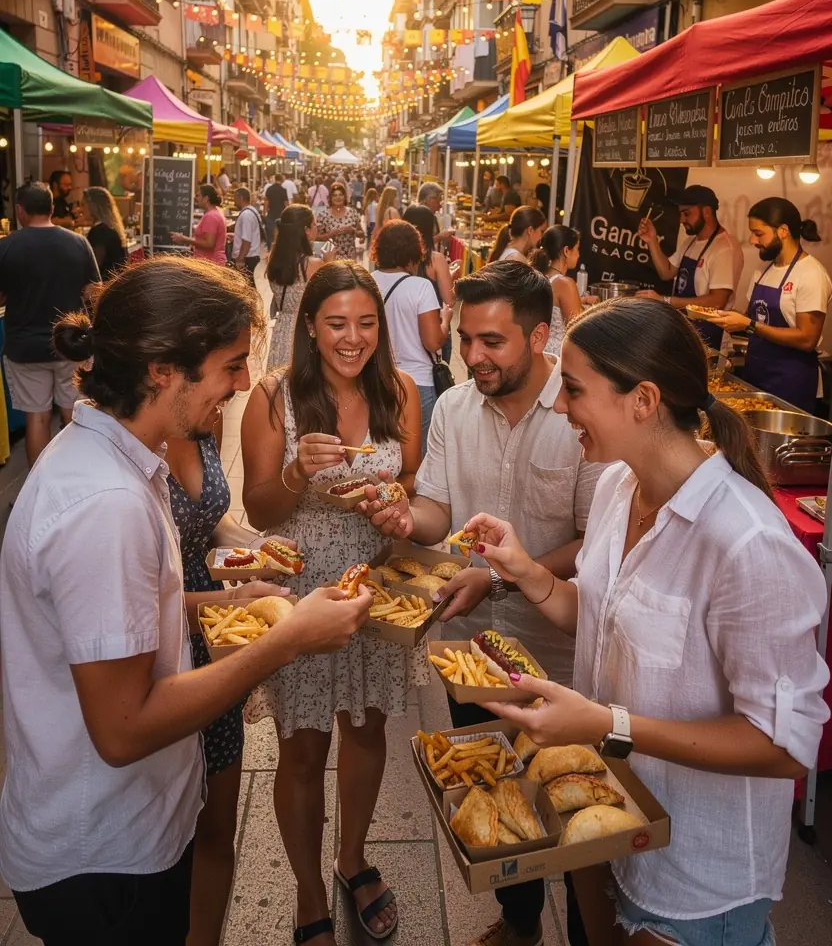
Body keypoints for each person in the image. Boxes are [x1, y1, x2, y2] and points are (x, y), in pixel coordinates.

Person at [0, 256, 373, 946]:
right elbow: (123, 728)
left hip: (117, 840)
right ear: (162, 369)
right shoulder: (105, 504)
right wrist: (284, 640)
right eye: (231, 365)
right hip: (104, 862)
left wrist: (224, 604)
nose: (240, 385)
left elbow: (113, 623)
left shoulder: (115, 463)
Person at [473, 297, 828, 946]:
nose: (558, 406)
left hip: (695, 876)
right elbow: (603, 619)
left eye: (573, 390)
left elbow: (783, 747)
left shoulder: (746, 542)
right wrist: (526, 571)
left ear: (643, 399)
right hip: (606, 823)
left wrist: (609, 725)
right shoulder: (616, 486)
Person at [361, 260, 604, 946]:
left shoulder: (578, 414)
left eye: (491, 341)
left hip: (560, 648)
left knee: (575, 800)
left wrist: (499, 576)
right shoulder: (456, 407)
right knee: (496, 782)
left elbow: (594, 542)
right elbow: (439, 507)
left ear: (536, 338)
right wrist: (411, 519)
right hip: (474, 652)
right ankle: (519, 922)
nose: (472, 355)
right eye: (465, 338)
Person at [240, 262, 424, 946]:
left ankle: (351, 859)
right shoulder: (273, 398)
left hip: (376, 583)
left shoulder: (400, 389)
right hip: (303, 586)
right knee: (303, 746)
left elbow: (408, 475)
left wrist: (397, 502)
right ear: (310, 327)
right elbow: (260, 508)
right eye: (338, 324)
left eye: (367, 323)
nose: (354, 339)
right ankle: (309, 890)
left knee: (369, 728)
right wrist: (296, 472)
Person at [167, 416, 290, 946]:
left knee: (219, 826)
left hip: (216, 639)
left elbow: (207, 520)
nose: (242, 380)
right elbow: (138, 606)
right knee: (172, 838)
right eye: (233, 363)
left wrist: (261, 549)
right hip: (170, 642)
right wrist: (239, 601)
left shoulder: (199, 419)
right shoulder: (127, 455)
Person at [0, 182, 100, 467]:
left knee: (38, 417)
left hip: (24, 346)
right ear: (52, 208)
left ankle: (40, 489)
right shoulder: (78, 243)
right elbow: (94, 292)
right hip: (72, 344)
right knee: (74, 414)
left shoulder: (7, 247)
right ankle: (77, 482)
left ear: (20, 210)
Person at [713, 196, 831, 412]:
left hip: (791, 384)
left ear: (783, 231)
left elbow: (807, 338)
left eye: (758, 233)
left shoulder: (811, 274)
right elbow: (752, 319)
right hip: (756, 378)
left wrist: (749, 325)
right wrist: (725, 319)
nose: (752, 241)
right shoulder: (763, 270)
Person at [371, 220, 452, 456]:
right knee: (421, 454)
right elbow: (433, 341)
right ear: (413, 252)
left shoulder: (368, 281)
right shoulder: (421, 287)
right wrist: (445, 319)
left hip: (378, 378)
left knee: (383, 452)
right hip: (419, 382)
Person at [636, 185, 743, 349]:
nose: (681, 220)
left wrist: (666, 301)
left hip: (711, 339)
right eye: (680, 214)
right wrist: (652, 240)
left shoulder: (725, 248)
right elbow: (667, 272)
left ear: (706, 211)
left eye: (687, 214)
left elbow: (716, 302)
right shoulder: (691, 242)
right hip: (688, 332)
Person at [266, 204, 328, 371]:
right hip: (304, 332)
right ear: (306, 230)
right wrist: (330, 263)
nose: (317, 228)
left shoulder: (273, 260)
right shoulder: (313, 265)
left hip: (281, 331)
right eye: (314, 225)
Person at [403, 204, 454, 363]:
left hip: (405, 328)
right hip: (434, 327)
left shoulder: (397, 259)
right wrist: (451, 276)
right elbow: (449, 299)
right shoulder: (435, 259)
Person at [531, 225, 587, 354]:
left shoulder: (539, 275)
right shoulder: (564, 283)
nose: (578, 255)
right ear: (566, 251)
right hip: (558, 356)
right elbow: (578, 328)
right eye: (577, 249)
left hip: (540, 351)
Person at [171, 184, 228, 266]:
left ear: (206, 198)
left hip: (210, 264)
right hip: (210, 262)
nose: (196, 198)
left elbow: (209, 244)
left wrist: (184, 239)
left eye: (198, 195)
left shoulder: (211, 216)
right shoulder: (216, 212)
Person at [83, 186, 128, 279]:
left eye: (83, 205)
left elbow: (95, 266)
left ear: (92, 206)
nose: (80, 209)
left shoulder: (99, 232)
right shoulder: (110, 228)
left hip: (105, 287)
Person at [315, 181, 363, 260]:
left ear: (344, 197)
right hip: (331, 259)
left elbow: (362, 234)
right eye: (335, 195)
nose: (338, 197)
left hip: (350, 258)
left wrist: (352, 230)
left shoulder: (352, 212)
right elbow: (317, 237)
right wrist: (331, 233)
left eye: (341, 195)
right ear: (330, 198)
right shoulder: (323, 215)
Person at [231, 186, 264, 278]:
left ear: (241, 198)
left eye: (235, 199)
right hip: (250, 256)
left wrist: (240, 259)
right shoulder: (252, 211)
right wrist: (235, 236)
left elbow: (246, 241)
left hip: (247, 258)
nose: (234, 202)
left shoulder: (246, 215)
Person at [417, 181, 456, 249]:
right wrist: (440, 237)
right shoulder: (418, 215)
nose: (440, 206)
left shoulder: (432, 217)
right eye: (438, 201)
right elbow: (420, 244)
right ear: (430, 200)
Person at [264, 173, 289, 248]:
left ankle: (270, 248)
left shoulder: (269, 189)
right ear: (281, 180)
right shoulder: (283, 190)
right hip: (281, 214)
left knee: (270, 233)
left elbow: (266, 202)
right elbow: (286, 204)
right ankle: (279, 248)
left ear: (275, 179)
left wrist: (265, 212)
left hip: (271, 214)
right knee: (280, 233)